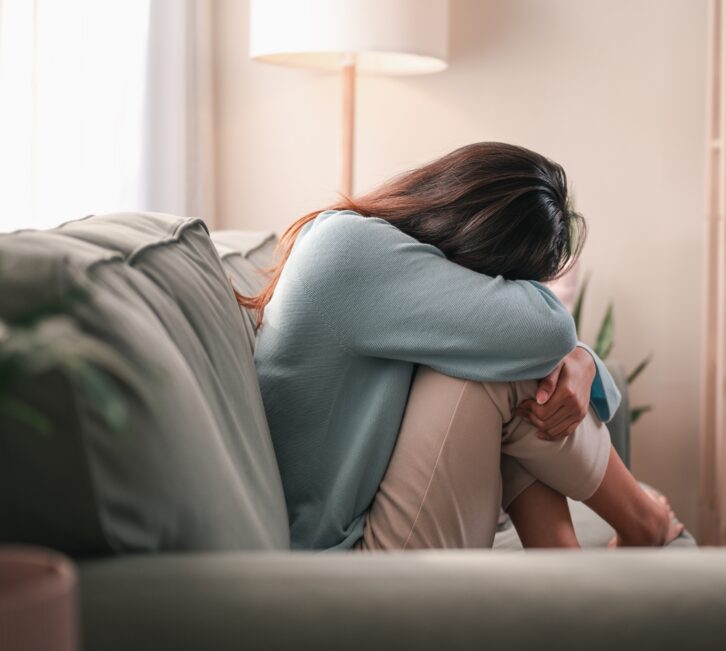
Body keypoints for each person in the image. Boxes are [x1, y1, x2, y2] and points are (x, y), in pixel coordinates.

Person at [240, 142, 683, 551]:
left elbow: (533, 335)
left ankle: (571, 580)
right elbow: (544, 331)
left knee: (498, 361)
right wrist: (574, 353)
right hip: (338, 569)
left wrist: (582, 360)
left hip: (362, 533)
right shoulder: (347, 251)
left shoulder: (368, 251)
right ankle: (642, 523)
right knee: (498, 374)